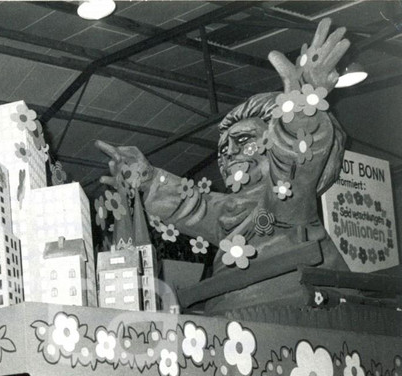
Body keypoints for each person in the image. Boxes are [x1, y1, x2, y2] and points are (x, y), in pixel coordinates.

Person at [97, 18, 351, 313]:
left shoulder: (287, 203)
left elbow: (293, 165)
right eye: (223, 148)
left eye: (243, 140)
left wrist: (301, 107)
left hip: (295, 321)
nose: (229, 152)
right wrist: (149, 180)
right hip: (235, 328)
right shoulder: (233, 214)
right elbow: (194, 206)